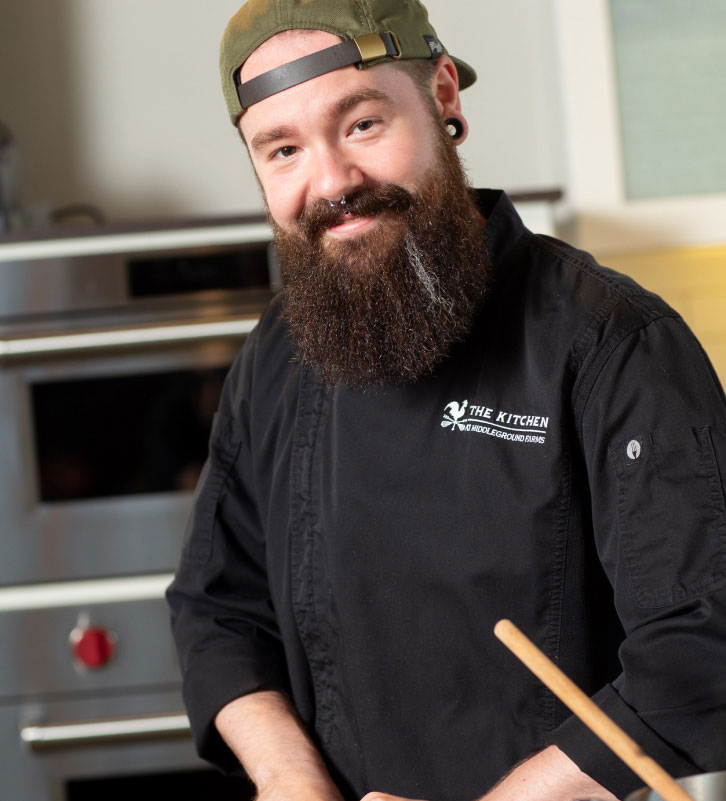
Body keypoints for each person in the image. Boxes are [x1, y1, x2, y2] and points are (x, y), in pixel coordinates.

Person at [166, 1, 726, 799]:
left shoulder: (612, 341)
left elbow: (704, 638)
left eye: (361, 123)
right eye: (283, 149)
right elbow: (217, 608)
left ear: (444, 99)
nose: (331, 182)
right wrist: (292, 780)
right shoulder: (279, 352)